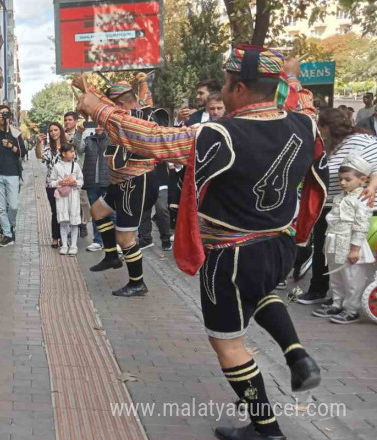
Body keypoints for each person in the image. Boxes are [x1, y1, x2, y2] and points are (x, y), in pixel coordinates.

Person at [75, 47, 326, 440]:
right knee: (259, 294)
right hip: (280, 244)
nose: (220, 92)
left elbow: (153, 141)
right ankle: (297, 355)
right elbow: (302, 100)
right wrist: (290, 75)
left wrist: (98, 108)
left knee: (228, 345)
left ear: (239, 88)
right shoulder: (304, 125)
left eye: (225, 84)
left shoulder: (220, 134)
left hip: (231, 253)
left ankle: (268, 430)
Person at [87, 74, 168, 297]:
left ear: (120, 104)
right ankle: (111, 255)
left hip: (137, 181)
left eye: (113, 104)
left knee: (126, 238)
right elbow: (140, 97)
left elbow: (102, 107)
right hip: (121, 181)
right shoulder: (138, 109)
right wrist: (142, 82)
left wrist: (88, 90)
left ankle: (137, 282)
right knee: (97, 211)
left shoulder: (132, 117)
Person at [296, 108, 377, 306]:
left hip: (355, 206)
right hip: (330, 204)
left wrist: (373, 186)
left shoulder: (362, 141)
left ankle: (347, 300)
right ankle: (322, 291)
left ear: (326, 127)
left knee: (348, 255)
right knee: (325, 250)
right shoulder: (326, 145)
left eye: (320, 126)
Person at [313, 155, 375, 324]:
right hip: (334, 242)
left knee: (351, 278)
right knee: (336, 276)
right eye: (341, 179)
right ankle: (337, 303)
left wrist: (355, 249)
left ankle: (351, 309)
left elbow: (361, 225)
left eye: (348, 179)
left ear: (362, 179)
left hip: (350, 244)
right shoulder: (340, 197)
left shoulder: (362, 199)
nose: (343, 183)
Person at [0, 105, 24, 247]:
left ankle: (10, 225)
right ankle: (7, 234)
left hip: (12, 173)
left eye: (5, 113)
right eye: (0, 113)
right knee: (1, 207)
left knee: (13, 206)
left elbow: (22, 152)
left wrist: (11, 146)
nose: (2, 116)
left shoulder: (15, 133)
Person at [49, 143, 84, 255]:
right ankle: (64, 245)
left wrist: (75, 183)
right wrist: (59, 182)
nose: (73, 153)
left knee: (74, 221)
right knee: (63, 221)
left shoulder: (76, 166)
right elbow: (51, 182)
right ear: (63, 153)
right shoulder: (57, 166)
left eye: (74, 151)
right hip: (62, 197)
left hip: (73, 196)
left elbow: (81, 180)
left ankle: (73, 245)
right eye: (71, 151)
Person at [35, 122, 64, 248]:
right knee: (55, 211)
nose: (53, 133)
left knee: (65, 211)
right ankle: (55, 237)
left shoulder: (67, 146)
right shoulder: (48, 148)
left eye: (56, 130)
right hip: (51, 184)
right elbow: (39, 155)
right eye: (51, 131)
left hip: (65, 183)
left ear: (60, 131)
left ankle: (65, 236)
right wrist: (38, 143)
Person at [83, 127, 110, 252]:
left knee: (111, 213)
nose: (99, 127)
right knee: (95, 212)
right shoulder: (89, 140)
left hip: (108, 181)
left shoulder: (111, 139)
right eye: (97, 124)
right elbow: (78, 148)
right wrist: (78, 132)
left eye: (102, 124)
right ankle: (98, 241)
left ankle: (111, 242)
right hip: (92, 182)